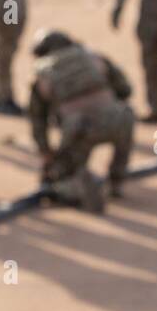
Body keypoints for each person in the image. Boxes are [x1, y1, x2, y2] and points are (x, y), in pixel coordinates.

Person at [28, 30, 134, 214]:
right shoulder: (94, 57)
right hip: (119, 119)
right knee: (123, 125)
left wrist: (46, 152)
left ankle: (75, 186)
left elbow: (38, 120)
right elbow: (125, 89)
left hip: (80, 127)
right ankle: (116, 181)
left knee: (62, 176)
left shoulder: (43, 72)